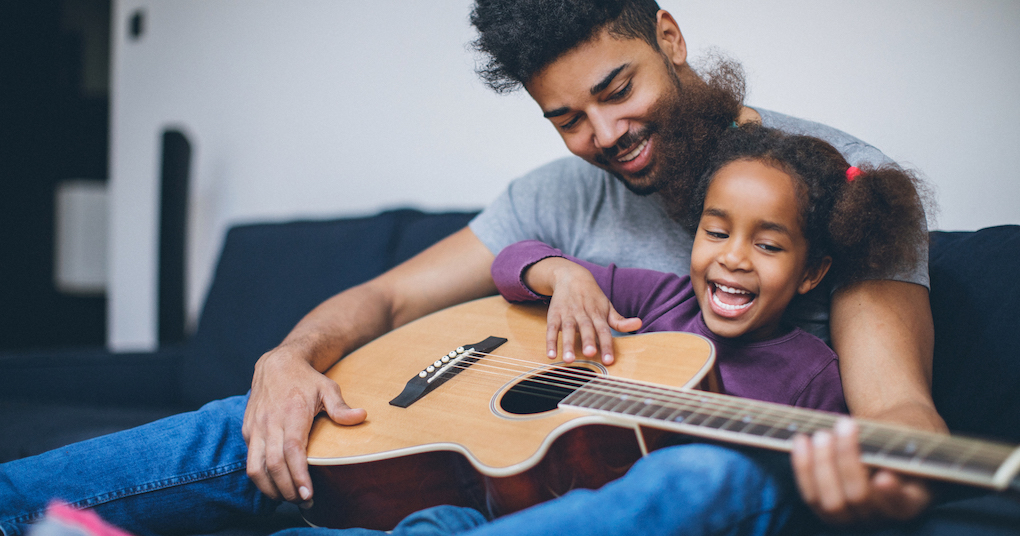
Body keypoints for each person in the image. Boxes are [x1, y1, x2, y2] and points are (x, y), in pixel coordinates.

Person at [0, 1, 942, 535]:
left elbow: (896, 406)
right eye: (566, 117)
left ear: (668, 36)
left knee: (702, 488)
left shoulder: (835, 186)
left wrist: (895, 480)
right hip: (477, 464)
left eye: (616, 91)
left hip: (622, 500)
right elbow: (384, 298)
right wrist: (290, 359)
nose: (603, 136)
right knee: (256, 417)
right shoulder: (556, 196)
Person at [284, 120, 931, 536]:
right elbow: (510, 263)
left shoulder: (813, 375)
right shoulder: (661, 298)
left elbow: (814, 489)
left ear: (813, 273)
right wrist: (562, 277)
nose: (732, 256)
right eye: (715, 232)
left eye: (768, 245)